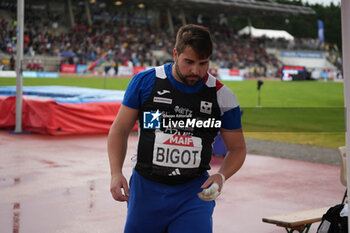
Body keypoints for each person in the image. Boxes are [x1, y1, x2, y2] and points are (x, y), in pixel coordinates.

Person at [108, 24, 246, 233]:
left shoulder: (222, 96)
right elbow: (119, 129)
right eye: (189, 62)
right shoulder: (146, 82)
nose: (196, 71)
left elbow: (237, 148)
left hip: (193, 193)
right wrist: (115, 172)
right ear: (175, 54)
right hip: (146, 190)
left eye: (203, 63)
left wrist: (222, 175)